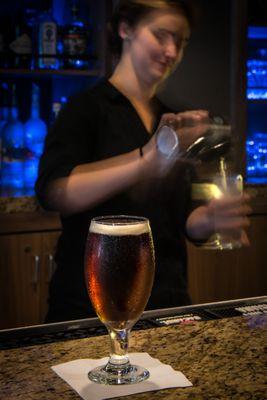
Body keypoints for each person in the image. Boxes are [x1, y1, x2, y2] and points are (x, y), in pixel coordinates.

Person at [35, 0, 250, 323]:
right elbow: (55, 191)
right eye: (162, 36)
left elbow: (185, 219)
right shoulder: (86, 109)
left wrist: (209, 219)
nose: (172, 51)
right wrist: (145, 162)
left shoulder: (171, 118)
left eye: (181, 41)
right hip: (93, 308)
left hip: (168, 306)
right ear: (126, 30)